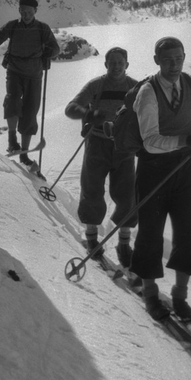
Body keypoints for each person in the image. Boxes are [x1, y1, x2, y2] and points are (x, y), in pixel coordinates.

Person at [129, 36, 191, 323]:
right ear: (156, 61)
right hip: (154, 169)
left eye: (178, 58)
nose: (174, 64)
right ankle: (151, 293)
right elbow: (150, 141)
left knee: (190, 233)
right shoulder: (147, 93)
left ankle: (180, 296)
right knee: (151, 233)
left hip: (185, 168)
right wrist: (186, 140)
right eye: (167, 59)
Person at [64, 47, 139, 266]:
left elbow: (147, 112)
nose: (116, 66)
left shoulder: (135, 88)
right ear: (105, 65)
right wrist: (87, 114)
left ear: (127, 64)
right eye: (112, 62)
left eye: (120, 62)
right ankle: (92, 240)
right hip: (97, 144)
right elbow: (71, 108)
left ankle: (124, 245)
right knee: (92, 190)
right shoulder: (95, 86)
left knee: (127, 195)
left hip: (124, 146)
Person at [0, 0, 60, 170]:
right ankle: (12, 140)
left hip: (34, 73)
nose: (26, 15)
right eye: (23, 12)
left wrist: (50, 51)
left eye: (29, 12)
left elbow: (55, 48)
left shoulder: (42, 28)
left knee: (30, 110)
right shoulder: (12, 25)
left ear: (35, 12)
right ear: (19, 10)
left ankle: (24, 153)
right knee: (13, 99)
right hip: (15, 70)